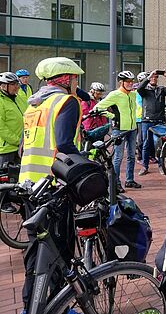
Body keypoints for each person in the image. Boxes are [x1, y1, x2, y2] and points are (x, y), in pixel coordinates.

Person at [19, 57, 89, 312]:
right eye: (74, 78)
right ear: (66, 79)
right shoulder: (66, 102)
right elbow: (65, 145)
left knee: (36, 249)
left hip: (28, 185)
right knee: (60, 248)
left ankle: (30, 304)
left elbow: (25, 146)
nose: (76, 83)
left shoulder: (34, 104)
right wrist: (87, 166)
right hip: (54, 186)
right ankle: (60, 304)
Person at [93, 71, 140, 191]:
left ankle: (129, 180)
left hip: (132, 129)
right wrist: (112, 116)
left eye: (132, 81)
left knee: (131, 156)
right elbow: (97, 108)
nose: (130, 83)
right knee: (118, 157)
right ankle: (115, 182)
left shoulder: (133, 94)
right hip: (119, 130)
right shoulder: (115, 94)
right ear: (121, 82)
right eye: (128, 81)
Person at [137, 69, 166, 175]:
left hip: (159, 121)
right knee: (146, 144)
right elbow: (139, 88)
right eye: (152, 77)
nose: (154, 79)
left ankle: (161, 166)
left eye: (155, 77)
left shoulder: (161, 90)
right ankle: (145, 167)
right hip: (147, 121)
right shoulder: (144, 90)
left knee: (159, 144)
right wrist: (148, 77)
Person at [0, 72, 27, 166]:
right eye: (12, 84)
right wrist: (18, 141)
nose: (16, 86)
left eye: (17, 83)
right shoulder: (1, 101)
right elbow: (1, 129)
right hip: (6, 150)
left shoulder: (18, 98)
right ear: (3, 86)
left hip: (21, 147)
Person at [135, 71, 149, 162]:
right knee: (141, 139)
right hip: (140, 117)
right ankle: (140, 156)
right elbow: (141, 104)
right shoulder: (139, 92)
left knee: (143, 138)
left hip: (141, 117)